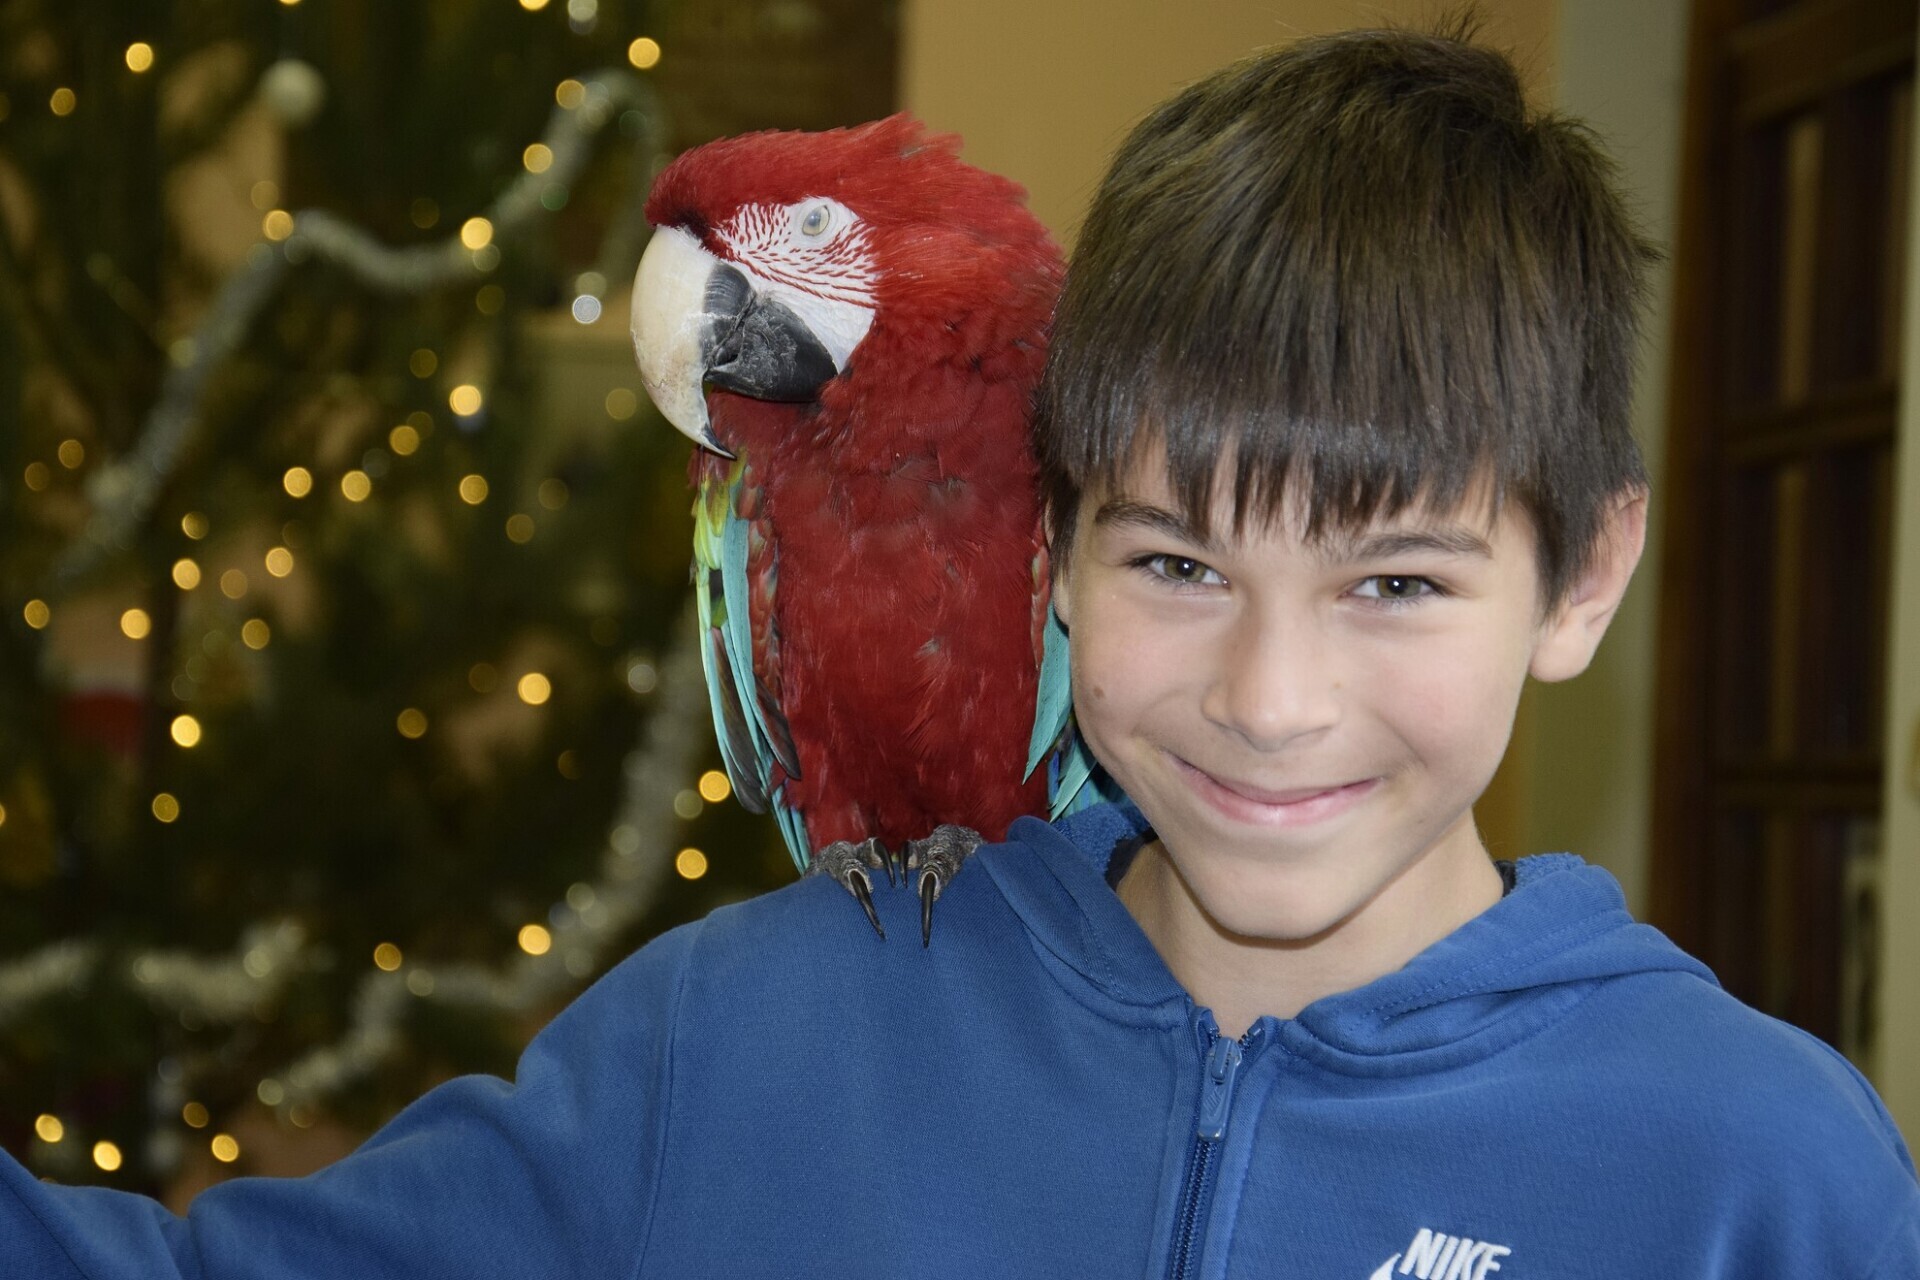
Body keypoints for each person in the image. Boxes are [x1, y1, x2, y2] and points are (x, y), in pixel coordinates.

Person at [6, 23, 1917, 1280]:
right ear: (1054, 552)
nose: (1270, 702)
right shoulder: (738, 1038)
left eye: (1396, 585)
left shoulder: (1755, 1175)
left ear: (1585, 577)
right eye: (1176, 561)